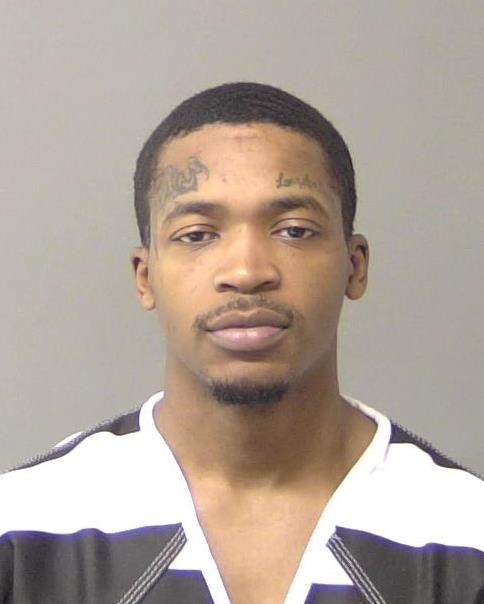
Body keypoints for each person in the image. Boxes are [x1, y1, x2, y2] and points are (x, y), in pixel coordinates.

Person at [1, 82, 483, 604]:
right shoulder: (22, 529)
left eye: (294, 230)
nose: (247, 272)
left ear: (355, 265)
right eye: (197, 235)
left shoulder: (465, 534)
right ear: (145, 276)